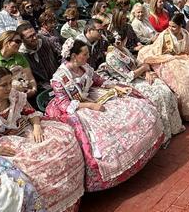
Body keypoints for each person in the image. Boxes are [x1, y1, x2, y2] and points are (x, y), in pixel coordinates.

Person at [44, 39, 165, 191]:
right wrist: (90, 105)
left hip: (91, 96)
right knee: (104, 131)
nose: (88, 57)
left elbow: (98, 80)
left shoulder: (84, 67)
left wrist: (115, 86)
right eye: (85, 54)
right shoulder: (59, 78)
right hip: (76, 108)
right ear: (74, 55)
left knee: (133, 106)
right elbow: (64, 105)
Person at [0, 66, 84, 212]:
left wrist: (37, 127)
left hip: (25, 131)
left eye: (9, 83)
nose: (8, 88)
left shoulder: (15, 96)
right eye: (3, 85)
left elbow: (31, 112)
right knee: (32, 168)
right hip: (1, 146)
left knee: (60, 143)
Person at [98, 33, 184, 143]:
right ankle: (164, 133)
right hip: (127, 83)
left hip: (139, 77)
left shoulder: (124, 50)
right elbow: (128, 76)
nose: (118, 44)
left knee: (163, 88)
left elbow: (138, 63)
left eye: (120, 41)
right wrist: (143, 69)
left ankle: (174, 127)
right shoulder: (111, 56)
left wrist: (147, 71)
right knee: (156, 96)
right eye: (116, 42)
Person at [0, 31, 37, 100]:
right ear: (7, 42)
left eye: (21, 41)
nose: (20, 44)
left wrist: (33, 90)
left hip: (22, 95)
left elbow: (30, 77)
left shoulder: (20, 57)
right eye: (17, 41)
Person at [16, 23, 59, 90]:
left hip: (58, 79)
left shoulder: (46, 42)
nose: (35, 38)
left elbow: (60, 58)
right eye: (30, 37)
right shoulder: (22, 56)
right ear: (22, 40)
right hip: (41, 89)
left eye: (34, 34)